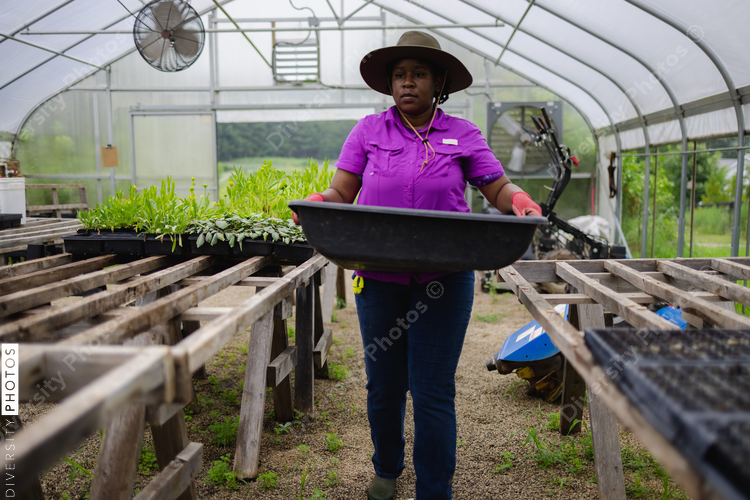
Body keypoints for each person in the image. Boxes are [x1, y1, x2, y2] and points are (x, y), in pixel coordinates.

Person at [295, 31, 541, 500]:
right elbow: (342, 193)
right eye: (400, 75)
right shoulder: (368, 131)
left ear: (439, 82)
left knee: (432, 392)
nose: (407, 83)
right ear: (390, 84)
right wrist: (317, 203)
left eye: (419, 74)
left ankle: (434, 490)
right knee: (384, 386)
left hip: (443, 281)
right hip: (378, 275)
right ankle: (386, 468)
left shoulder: (462, 134)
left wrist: (521, 201)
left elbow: (497, 188)